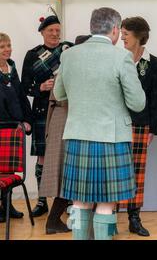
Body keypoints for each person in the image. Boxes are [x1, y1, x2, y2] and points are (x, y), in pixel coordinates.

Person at [54, 7, 146, 240]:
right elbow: (137, 103)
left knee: (79, 202)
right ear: (115, 29)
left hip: (78, 135)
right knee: (106, 203)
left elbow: (59, 93)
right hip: (111, 138)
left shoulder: (69, 55)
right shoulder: (122, 56)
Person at [21, 14, 72, 217]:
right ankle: (42, 201)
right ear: (42, 32)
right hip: (43, 110)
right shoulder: (32, 55)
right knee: (42, 156)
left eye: (58, 31)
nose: (55, 34)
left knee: (68, 155)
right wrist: (40, 87)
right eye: (51, 30)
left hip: (65, 109)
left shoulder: (68, 50)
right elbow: (24, 86)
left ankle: (67, 200)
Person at [39, 35, 90, 234]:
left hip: (62, 118)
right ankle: (58, 222)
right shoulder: (76, 69)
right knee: (69, 174)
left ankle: (56, 221)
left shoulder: (66, 66)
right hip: (68, 118)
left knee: (66, 174)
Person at [118, 16, 157, 236]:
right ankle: (108, 217)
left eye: (125, 33)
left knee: (136, 173)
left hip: (140, 124)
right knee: (114, 171)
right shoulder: (116, 58)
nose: (122, 37)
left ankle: (134, 218)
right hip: (116, 124)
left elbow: (155, 98)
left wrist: (153, 128)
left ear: (138, 36)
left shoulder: (155, 64)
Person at [0, 32, 32, 223]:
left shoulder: (11, 68)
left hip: (13, 127)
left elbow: (20, 96)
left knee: (10, 168)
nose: (7, 49)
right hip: (1, 125)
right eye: (2, 46)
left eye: (9, 45)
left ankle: (8, 205)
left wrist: (26, 119)